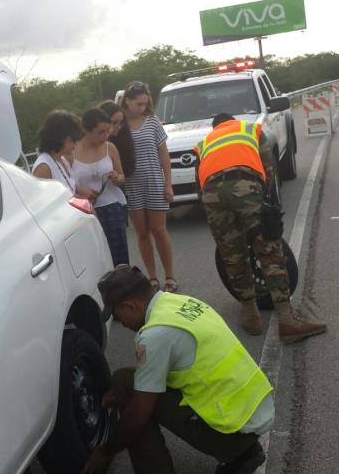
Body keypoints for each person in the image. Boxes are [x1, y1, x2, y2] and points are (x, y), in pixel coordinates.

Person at [83, 265, 272, 474]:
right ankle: (244, 451)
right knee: (127, 380)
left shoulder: (153, 336)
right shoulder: (180, 302)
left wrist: (106, 450)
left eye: (118, 316)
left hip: (229, 430)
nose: (121, 323)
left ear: (131, 306)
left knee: (130, 392)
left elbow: (138, 414)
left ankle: (230, 455)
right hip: (250, 413)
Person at [194, 113, 326, 341]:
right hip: (244, 184)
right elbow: (269, 169)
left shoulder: (203, 143)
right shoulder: (250, 130)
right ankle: (287, 320)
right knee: (268, 249)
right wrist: (267, 205)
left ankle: (251, 316)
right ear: (233, 121)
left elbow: (200, 184)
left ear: (214, 127)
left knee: (233, 256)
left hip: (212, 193)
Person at [120, 82, 177, 292]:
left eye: (145, 104)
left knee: (159, 230)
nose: (142, 107)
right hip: (132, 185)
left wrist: (168, 184)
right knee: (142, 233)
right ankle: (152, 278)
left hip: (154, 181)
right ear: (127, 100)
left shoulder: (152, 122)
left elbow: (164, 154)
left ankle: (170, 276)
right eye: (138, 104)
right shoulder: (119, 125)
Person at [73, 108, 129, 266]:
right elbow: (66, 181)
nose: (105, 136)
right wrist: (79, 190)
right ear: (86, 130)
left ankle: (125, 288)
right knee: (96, 256)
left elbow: (122, 176)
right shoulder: (72, 150)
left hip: (112, 206)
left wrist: (117, 178)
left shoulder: (109, 147)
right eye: (100, 132)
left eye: (107, 131)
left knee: (119, 255)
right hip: (85, 210)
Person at [32, 110, 94, 199]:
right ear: (60, 137)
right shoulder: (43, 167)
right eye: (73, 139)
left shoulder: (63, 160)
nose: (76, 143)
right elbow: (44, 202)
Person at [99, 100, 137, 179]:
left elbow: (128, 168)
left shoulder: (122, 141)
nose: (118, 126)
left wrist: (118, 176)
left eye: (121, 123)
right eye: (115, 122)